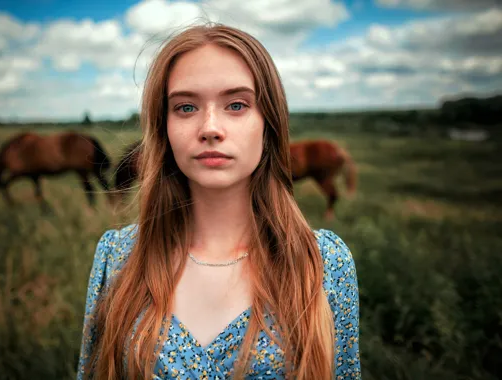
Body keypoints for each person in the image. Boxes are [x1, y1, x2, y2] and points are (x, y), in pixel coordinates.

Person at [77, 23, 361, 380]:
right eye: (185, 107)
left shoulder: (324, 263)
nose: (210, 127)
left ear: (268, 123)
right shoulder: (117, 258)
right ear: (163, 126)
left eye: (237, 105)